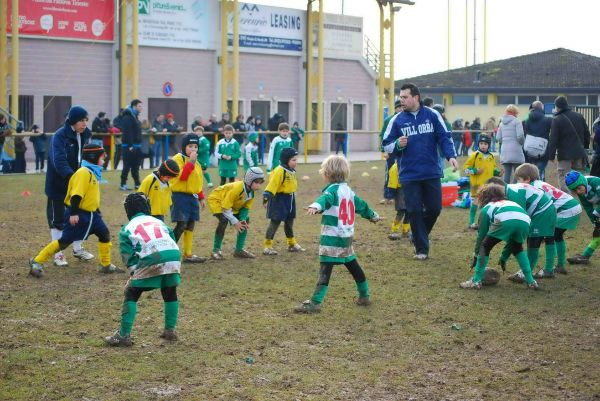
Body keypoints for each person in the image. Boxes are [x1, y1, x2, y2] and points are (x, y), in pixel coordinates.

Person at [294, 155, 382, 313]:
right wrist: (373, 215)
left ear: (328, 174)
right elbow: (362, 205)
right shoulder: (348, 191)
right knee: (353, 266)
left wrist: (315, 206)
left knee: (325, 269)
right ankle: (364, 295)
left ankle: (315, 303)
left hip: (332, 238)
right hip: (346, 238)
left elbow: (324, 199)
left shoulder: (332, 191)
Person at [381, 83, 459, 260]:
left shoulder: (432, 115)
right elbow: (385, 144)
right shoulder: (397, 120)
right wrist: (397, 145)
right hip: (409, 174)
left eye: (405, 97)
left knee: (435, 209)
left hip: (431, 171)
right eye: (400, 97)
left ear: (416, 97)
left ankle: (418, 234)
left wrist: (451, 156)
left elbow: (444, 136)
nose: (401, 100)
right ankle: (421, 249)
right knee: (414, 210)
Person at [29, 144, 123, 278]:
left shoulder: (92, 172)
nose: (104, 160)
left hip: (92, 215)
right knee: (65, 241)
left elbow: (90, 195)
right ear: (93, 157)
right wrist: (73, 213)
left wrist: (97, 210)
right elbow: (76, 195)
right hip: (79, 213)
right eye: (102, 158)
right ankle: (37, 261)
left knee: (104, 234)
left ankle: (106, 265)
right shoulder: (83, 173)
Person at [104, 193, 182, 347]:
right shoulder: (159, 222)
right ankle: (170, 330)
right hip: (173, 255)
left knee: (131, 292)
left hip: (152, 257)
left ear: (128, 210)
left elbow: (128, 254)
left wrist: (134, 274)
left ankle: (123, 335)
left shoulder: (127, 228)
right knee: (169, 291)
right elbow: (171, 237)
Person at [459, 183, 538, 290]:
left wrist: (476, 255)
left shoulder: (487, 208)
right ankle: (531, 281)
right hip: (525, 221)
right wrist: (504, 257)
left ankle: (476, 281)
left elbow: (481, 235)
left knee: (485, 246)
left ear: (484, 197)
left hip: (506, 221)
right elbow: (511, 241)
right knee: (517, 248)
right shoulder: (511, 202)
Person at [44, 105, 94, 267]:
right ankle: (57, 254)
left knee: (79, 216)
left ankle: (78, 249)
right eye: (81, 120)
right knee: (57, 220)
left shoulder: (86, 135)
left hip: (77, 184)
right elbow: (58, 161)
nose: (84, 123)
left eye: (86, 120)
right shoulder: (59, 136)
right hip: (58, 184)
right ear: (72, 121)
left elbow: (87, 157)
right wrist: (73, 178)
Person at [486, 176, 556, 283]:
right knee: (544, 238)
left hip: (543, 211)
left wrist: (505, 254)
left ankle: (526, 273)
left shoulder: (513, 194)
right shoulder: (509, 190)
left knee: (533, 241)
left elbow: (518, 224)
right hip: (545, 209)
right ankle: (548, 269)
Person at [516, 163, 581, 277]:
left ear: (527, 179)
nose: (518, 182)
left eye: (519, 179)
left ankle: (549, 269)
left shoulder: (533, 188)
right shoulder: (539, 183)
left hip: (565, 209)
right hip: (571, 206)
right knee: (556, 236)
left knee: (550, 236)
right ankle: (559, 265)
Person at [208, 167, 266, 260]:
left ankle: (239, 250)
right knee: (223, 220)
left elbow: (245, 208)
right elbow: (225, 208)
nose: (258, 186)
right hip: (217, 199)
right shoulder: (237, 188)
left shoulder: (251, 192)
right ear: (249, 181)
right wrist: (235, 222)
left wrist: (242, 219)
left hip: (231, 204)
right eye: (256, 182)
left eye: (260, 183)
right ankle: (216, 250)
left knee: (245, 221)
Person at [170, 133, 207, 264]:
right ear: (184, 147)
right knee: (182, 224)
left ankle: (188, 254)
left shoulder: (196, 163)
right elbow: (183, 177)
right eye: (190, 146)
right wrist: (191, 161)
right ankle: (168, 250)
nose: (193, 149)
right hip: (179, 196)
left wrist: (201, 197)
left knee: (190, 224)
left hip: (192, 197)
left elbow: (197, 182)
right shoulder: (178, 159)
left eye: (196, 146)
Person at [263, 147, 304, 255]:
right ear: (286, 160)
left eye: (296, 160)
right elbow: (273, 185)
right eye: (293, 160)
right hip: (279, 199)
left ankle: (291, 244)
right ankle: (267, 246)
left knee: (289, 221)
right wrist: (266, 197)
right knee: (275, 222)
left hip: (290, 199)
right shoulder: (279, 171)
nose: (296, 162)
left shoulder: (291, 170)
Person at [547, 96, 590, 192]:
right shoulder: (579, 116)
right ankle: (581, 196)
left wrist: (551, 156)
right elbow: (587, 133)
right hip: (579, 152)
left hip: (564, 154)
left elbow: (553, 139)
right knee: (579, 175)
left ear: (557, 106)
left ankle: (568, 198)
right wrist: (584, 147)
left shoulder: (556, 119)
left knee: (563, 176)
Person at [463, 135, 500, 229]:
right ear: (478, 144)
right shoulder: (474, 155)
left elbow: (493, 169)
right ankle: (471, 223)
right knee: (476, 202)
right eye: (481, 143)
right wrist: (475, 171)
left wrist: (498, 173)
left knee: (488, 204)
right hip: (476, 185)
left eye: (485, 144)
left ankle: (488, 222)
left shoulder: (491, 156)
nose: (483, 145)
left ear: (489, 145)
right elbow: (465, 170)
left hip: (488, 185)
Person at [564, 171, 600, 265]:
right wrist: (594, 223)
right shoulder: (581, 191)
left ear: (583, 182)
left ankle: (585, 256)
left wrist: (596, 213)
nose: (578, 192)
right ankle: (585, 257)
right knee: (598, 234)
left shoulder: (596, 182)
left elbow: (595, 211)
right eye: (575, 190)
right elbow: (588, 208)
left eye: (579, 188)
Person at [523, 101, 552, 181]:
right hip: (543, 149)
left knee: (531, 171)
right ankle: (540, 185)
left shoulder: (526, 121)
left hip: (529, 149)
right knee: (540, 170)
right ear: (542, 108)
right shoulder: (548, 120)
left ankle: (533, 184)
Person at [496, 104, 525, 183]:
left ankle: (505, 191)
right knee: (517, 173)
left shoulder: (501, 124)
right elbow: (520, 136)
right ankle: (514, 190)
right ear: (515, 113)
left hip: (505, 151)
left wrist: (504, 142)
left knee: (507, 173)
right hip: (516, 150)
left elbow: (498, 138)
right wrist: (522, 144)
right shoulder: (517, 122)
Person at [119, 99, 143, 191]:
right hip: (129, 146)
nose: (141, 108)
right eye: (139, 106)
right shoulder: (127, 117)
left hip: (137, 146)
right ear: (134, 106)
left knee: (136, 166)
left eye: (141, 106)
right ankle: (123, 184)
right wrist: (130, 146)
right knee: (127, 166)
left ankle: (137, 183)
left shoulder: (135, 117)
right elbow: (127, 133)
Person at [386, 161, 410, 240]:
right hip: (400, 191)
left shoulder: (411, 163)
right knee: (401, 211)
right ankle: (394, 231)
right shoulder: (395, 167)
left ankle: (405, 231)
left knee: (409, 212)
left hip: (410, 189)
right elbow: (392, 182)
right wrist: (390, 195)